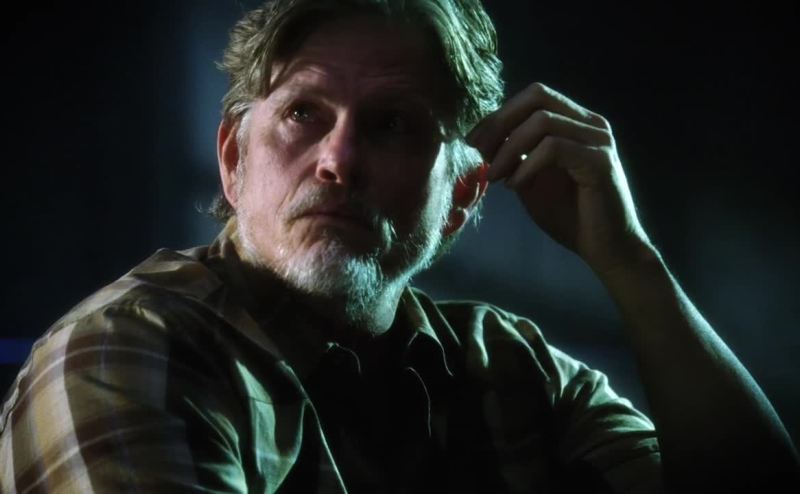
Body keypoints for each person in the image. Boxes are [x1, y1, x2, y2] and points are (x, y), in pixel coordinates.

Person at [1, 0, 798, 492]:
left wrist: (629, 260)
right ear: (235, 158)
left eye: (393, 125)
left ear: (461, 196)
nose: (339, 161)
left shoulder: (513, 371)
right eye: (304, 113)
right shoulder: (127, 349)